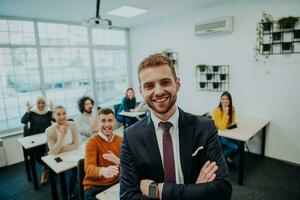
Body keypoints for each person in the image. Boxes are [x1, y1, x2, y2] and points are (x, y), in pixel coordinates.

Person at [120, 54, 232, 200]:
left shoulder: (205, 128)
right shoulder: (131, 136)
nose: (158, 91)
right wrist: (196, 192)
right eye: (149, 86)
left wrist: (159, 191)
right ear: (141, 91)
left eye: (165, 82)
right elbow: (127, 196)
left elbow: (222, 189)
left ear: (177, 84)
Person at [83, 108, 122, 200]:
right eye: (103, 121)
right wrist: (103, 171)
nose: (107, 124)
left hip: (115, 183)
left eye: (110, 120)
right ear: (98, 122)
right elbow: (88, 168)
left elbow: (129, 165)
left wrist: (119, 161)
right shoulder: (92, 142)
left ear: (114, 122)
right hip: (95, 187)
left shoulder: (120, 140)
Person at [46, 105, 79, 199]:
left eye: (64, 113)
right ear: (54, 115)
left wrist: (61, 149)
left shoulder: (72, 125)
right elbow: (53, 152)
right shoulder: (49, 130)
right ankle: (69, 193)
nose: (62, 116)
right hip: (61, 159)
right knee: (72, 173)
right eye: (58, 114)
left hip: (74, 155)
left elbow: (76, 145)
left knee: (84, 167)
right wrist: (61, 135)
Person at [21, 96, 53, 185]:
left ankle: (47, 169)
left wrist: (52, 109)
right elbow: (23, 121)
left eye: (43, 103)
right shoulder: (32, 113)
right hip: (35, 141)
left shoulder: (48, 113)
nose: (41, 105)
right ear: (36, 103)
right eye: (39, 103)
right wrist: (28, 110)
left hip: (46, 140)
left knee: (51, 155)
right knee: (38, 158)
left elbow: (56, 120)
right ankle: (48, 168)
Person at [213, 91, 239, 170]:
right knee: (234, 147)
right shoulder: (217, 110)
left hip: (228, 133)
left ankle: (228, 158)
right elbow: (222, 127)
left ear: (230, 100)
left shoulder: (232, 108)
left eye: (227, 99)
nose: (225, 101)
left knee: (240, 145)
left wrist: (227, 122)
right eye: (223, 99)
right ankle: (221, 160)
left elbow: (232, 122)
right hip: (219, 135)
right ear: (220, 100)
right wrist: (226, 113)